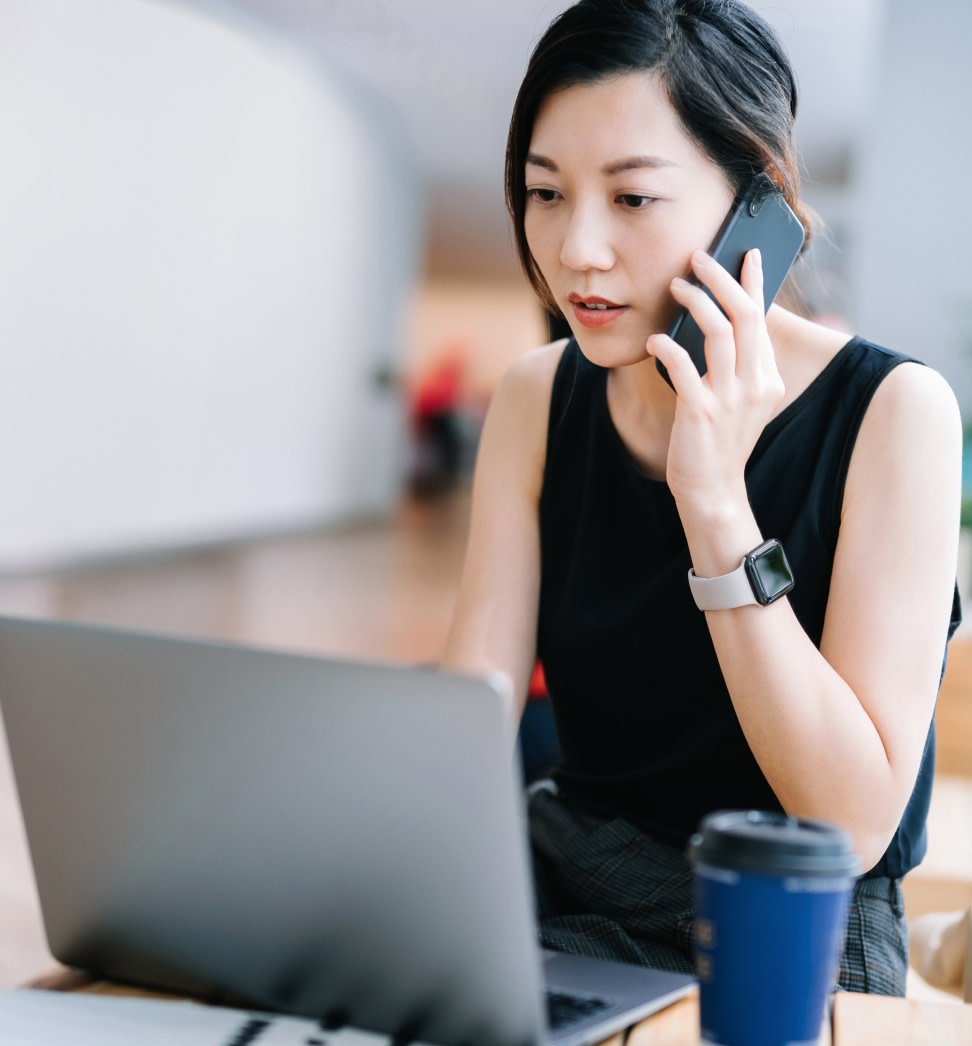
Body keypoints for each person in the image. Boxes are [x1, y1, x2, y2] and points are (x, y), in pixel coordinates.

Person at [440, 0, 964, 996]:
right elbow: (471, 719)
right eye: (544, 193)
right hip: (566, 888)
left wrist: (715, 497)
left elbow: (848, 825)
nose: (577, 250)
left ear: (754, 203)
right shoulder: (534, 394)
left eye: (632, 199)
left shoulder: (897, 412)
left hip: (796, 924)